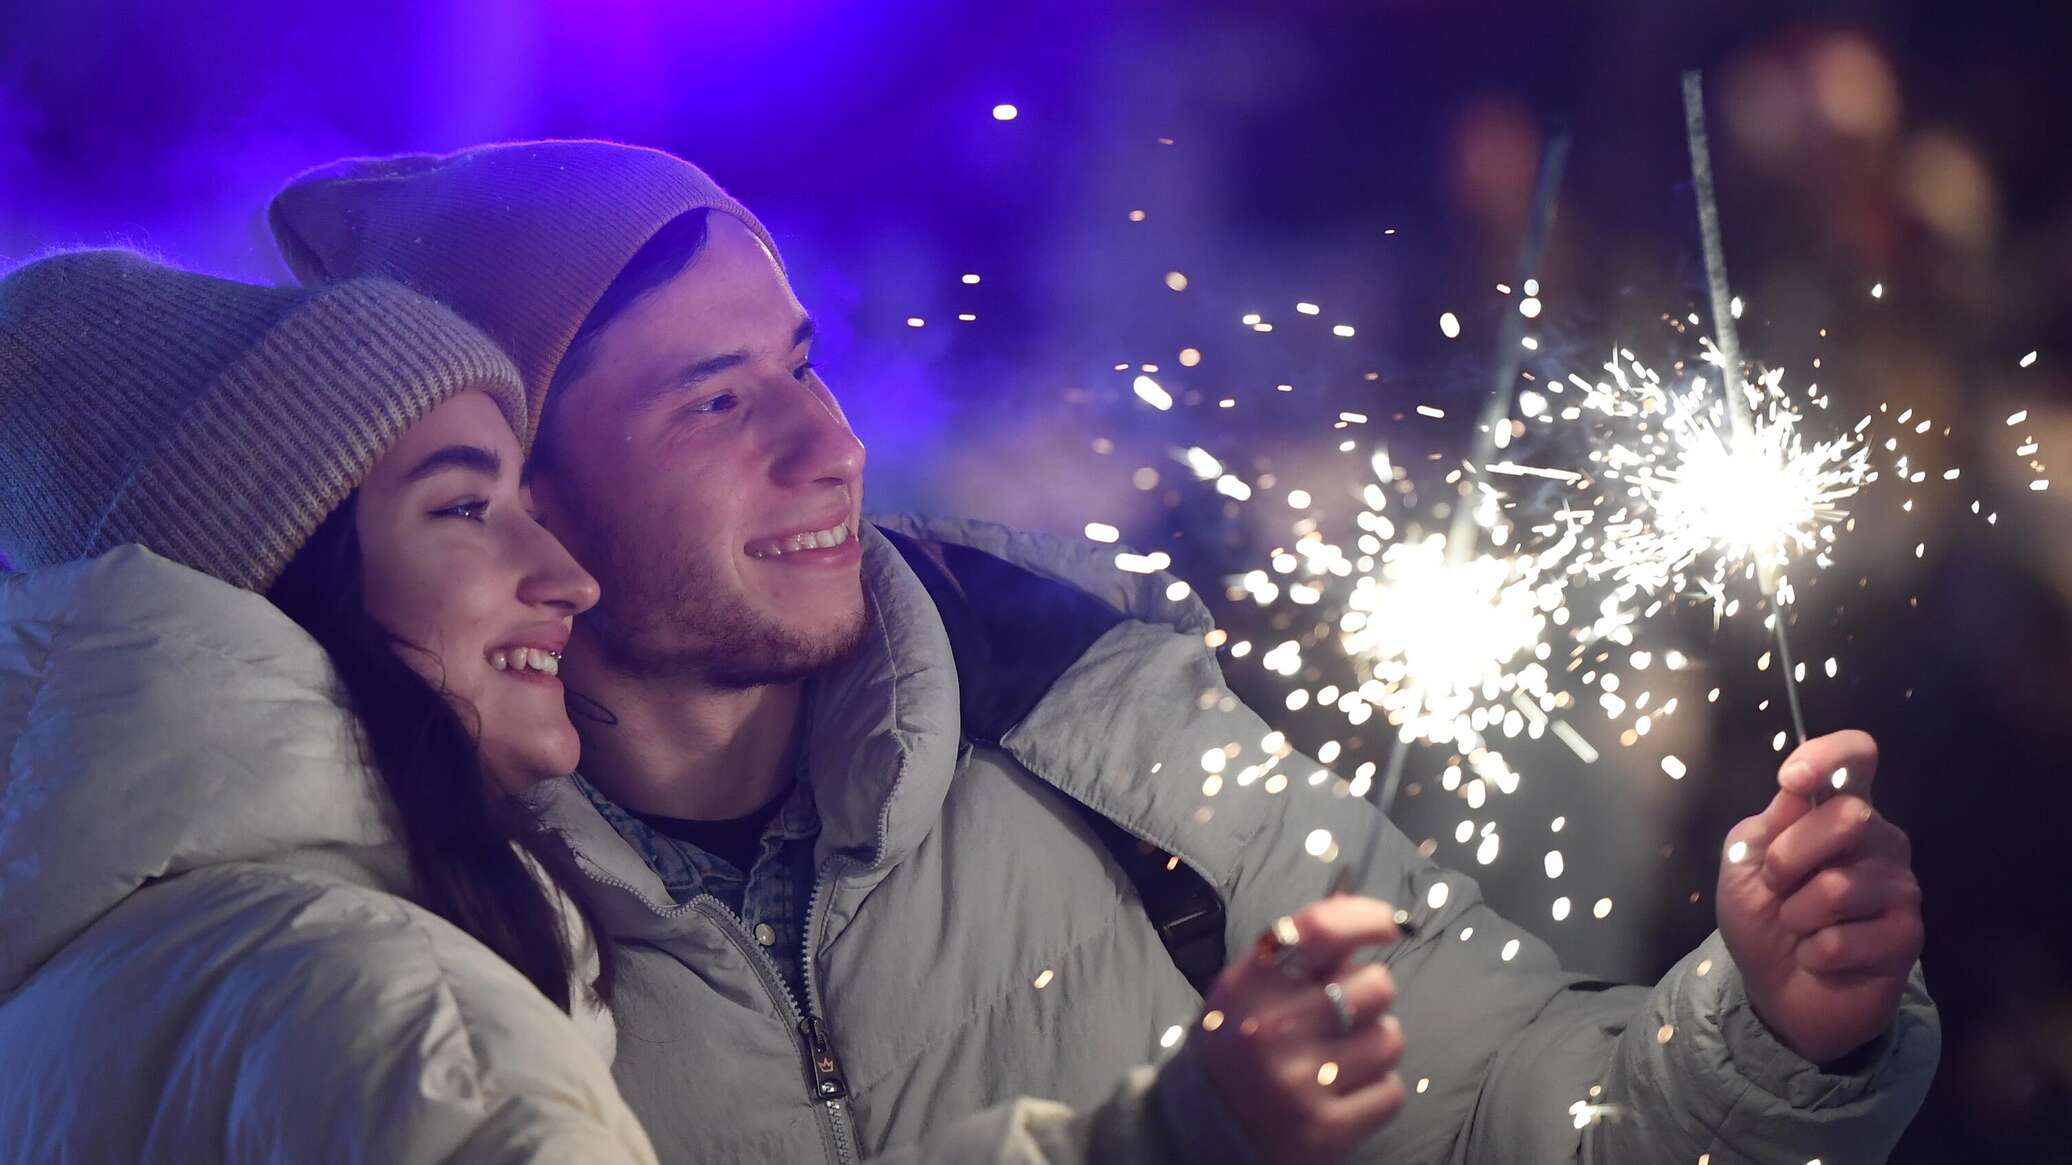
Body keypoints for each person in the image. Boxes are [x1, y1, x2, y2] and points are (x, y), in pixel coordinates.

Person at [270, 140, 1940, 1164]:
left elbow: (1515, 1121)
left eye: (802, 363)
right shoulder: (407, 927)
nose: (828, 446)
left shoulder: (1107, 739)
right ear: (523, 490)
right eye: (714, 405)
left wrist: (1767, 1032)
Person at [0, 250, 657, 1163]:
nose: (569, 579)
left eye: (524, 507)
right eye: (465, 507)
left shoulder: (101, 982)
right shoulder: (423, 1039)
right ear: (278, 576)